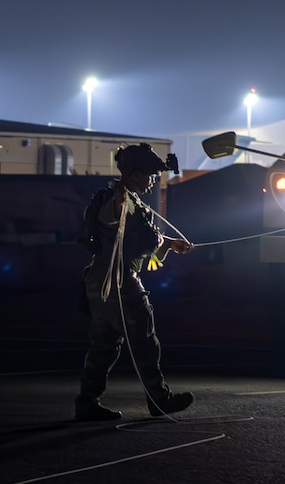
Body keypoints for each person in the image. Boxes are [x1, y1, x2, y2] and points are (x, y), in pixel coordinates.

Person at [74, 143, 195, 422]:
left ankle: (87, 402)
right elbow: (112, 224)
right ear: (136, 175)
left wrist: (170, 244)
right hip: (119, 283)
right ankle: (159, 398)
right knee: (145, 341)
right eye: (151, 175)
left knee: (104, 344)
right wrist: (120, 202)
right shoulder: (116, 201)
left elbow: (142, 243)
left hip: (101, 283)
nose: (154, 180)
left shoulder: (132, 202)